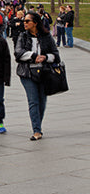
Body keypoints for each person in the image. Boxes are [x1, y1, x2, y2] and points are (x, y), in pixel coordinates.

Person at [15, 11, 61, 141]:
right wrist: (34, 56)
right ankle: (37, 130)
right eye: (24, 21)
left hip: (45, 73)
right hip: (28, 73)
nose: (24, 23)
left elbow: (56, 55)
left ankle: (37, 125)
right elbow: (18, 53)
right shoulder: (23, 36)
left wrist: (45, 57)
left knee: (42, 101)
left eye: (27, 21)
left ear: (35, 23)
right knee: (33, 101)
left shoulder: (46, 37)